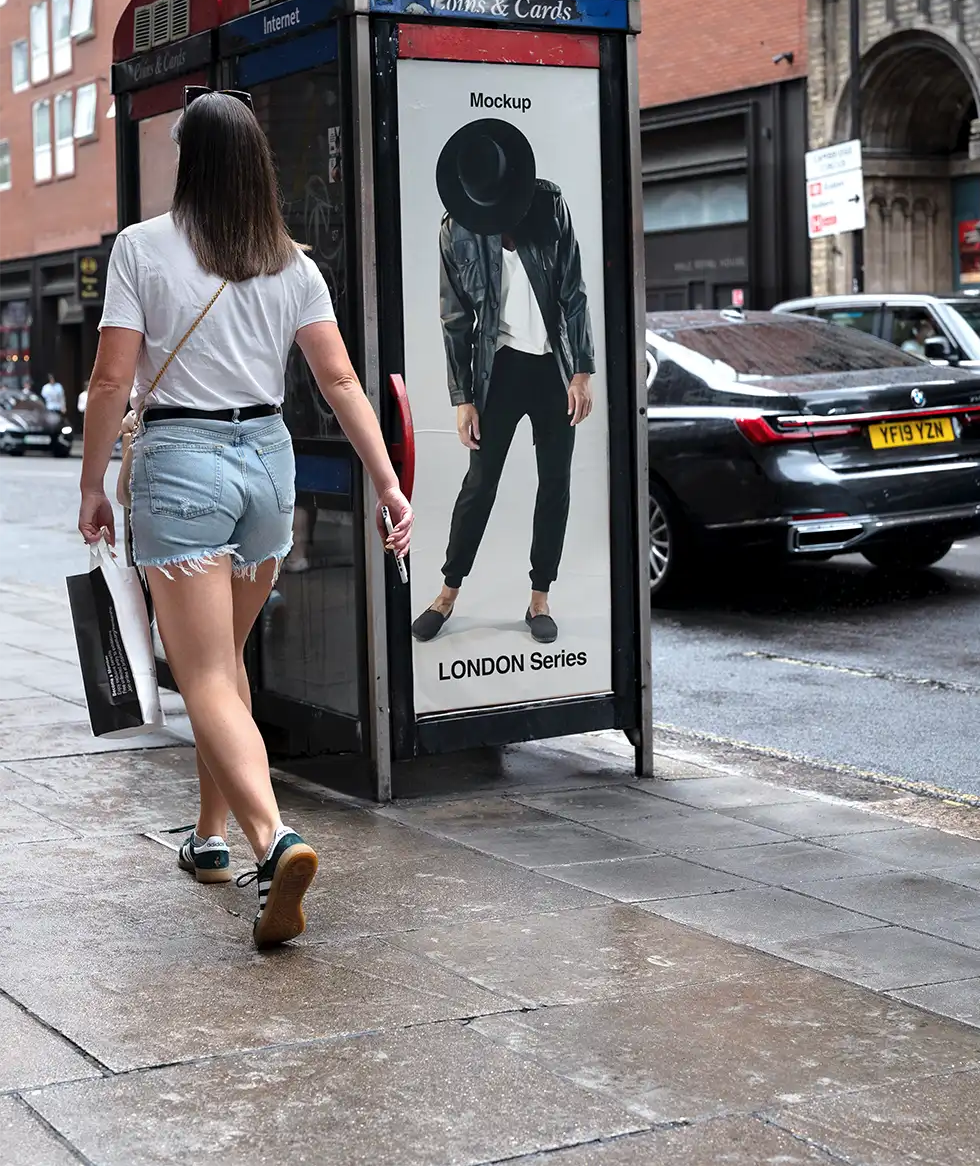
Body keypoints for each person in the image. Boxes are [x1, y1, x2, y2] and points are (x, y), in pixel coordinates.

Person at [77, 91, 411, 950]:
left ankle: (274, 841)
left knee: (204, 679)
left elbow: (112, 382)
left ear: (190, 161)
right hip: (269, 466)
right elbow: (339, 383)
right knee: (222, 663)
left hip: (182, 466)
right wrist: (387, 483)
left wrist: (93, 485)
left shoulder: (142, 250)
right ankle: (211, 839)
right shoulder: (292, 263)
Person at [411, 118, 594, 647]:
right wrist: (463, 398)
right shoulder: (456, 229)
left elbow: (574, 292)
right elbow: (454, 320)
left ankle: (540, 596)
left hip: (553, 367)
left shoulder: (549, 205)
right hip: (500, 367)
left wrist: (580, 370)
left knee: (554, 481)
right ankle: (447, 592)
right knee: (480, 483)